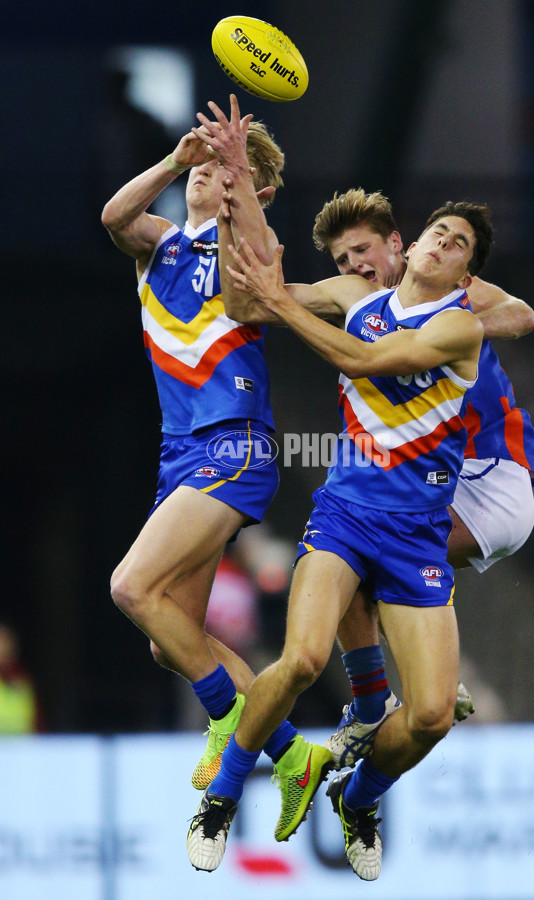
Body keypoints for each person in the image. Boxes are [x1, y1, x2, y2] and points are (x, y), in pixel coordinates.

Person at [186, 200, 492, 877]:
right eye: (439, 233)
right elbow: (246, 303)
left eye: (459, 243)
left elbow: (365, 362)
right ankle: (222, 795)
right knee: (298, 659)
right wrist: (238, 194)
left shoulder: (460, 326)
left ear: (461, 268)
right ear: (412, 249)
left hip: (417, 536)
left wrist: (281, 303)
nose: (444, 245)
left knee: (434, 716)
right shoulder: (352, 293)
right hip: (347, 516)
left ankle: (356, 800)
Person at [101, 96, 324, 805]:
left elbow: (253, 276)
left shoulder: (248, 248)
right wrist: (176, 159)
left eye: (228, 168)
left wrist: (238, 187)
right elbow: (112, 219)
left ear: (252, 188)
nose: (207, 173)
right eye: (205, 161)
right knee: (171, 641)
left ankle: (230, 718)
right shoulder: (161, 239)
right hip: (181, 454)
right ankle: (292, 755)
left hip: (234, 445)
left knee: (130, 587)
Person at [308, 189, 534, 770]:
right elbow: (281, 298)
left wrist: (451, 334)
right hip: (437, 477)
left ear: (400, 244)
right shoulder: (367, 307)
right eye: (343, 262)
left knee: (361, 560)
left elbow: (524, 314)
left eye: (363, 251)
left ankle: (379, 703)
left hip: (488, 478)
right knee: (354, 554)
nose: (356, 267)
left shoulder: (448, 291)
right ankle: (409, 693)